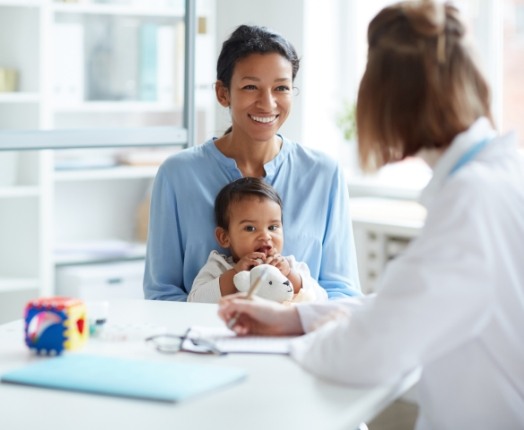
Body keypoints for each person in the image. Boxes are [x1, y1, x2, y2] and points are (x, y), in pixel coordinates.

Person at [218, 2, 524, 428]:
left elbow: (370, 351)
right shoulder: (494, 179)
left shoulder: (473, 202)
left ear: (394, 99)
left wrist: (299, 343)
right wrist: (297, 318)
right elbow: (404, 304)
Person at [144, 24, 361, 301]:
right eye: (250, 87)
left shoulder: (324, 174)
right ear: (223, 94)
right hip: (203, 340)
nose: (267, 103)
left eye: (281, 88)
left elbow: (343, 294)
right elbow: (161, 294)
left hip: (298, 340)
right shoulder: (177, 174)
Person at [188, 177, 328, 303]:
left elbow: (321, 298)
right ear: (224, 237)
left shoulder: (291, 265)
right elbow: (194, 302)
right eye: (250, 228)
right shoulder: (219, 266)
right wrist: (234, 273)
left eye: (273, 227)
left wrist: (290, 275)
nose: (265, 236)